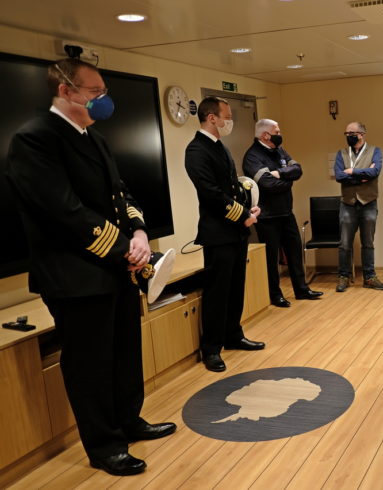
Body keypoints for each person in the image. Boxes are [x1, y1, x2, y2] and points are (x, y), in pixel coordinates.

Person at [5, 58, 175, 476]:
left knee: (124, 354)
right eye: (95, 92)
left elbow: (121, 193)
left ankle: (129, 421)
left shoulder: (93, 138)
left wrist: (138, 232)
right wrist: (126, 251)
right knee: (91, 365)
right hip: (75, 277)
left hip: (114, 269)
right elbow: (64, 212)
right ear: (66, 91)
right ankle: (104, 445)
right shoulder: (35, 139)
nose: (104, 100)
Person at [185, 97, 265, 373]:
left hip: (236, 232)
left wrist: (248, 206)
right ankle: (212, 348)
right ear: (211, 118)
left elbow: (232, 186)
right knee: (218, 292)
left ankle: (233, 334)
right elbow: (211, 194)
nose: (230, 121)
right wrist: (243, 216)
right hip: (218, 233)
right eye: (227, 116)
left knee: (235, 288)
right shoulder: (196, 150)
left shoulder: (219, 147)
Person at [243, 119, 323, 308]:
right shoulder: (252, 156)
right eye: (277, 131)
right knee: (271, 259)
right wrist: (287, 179)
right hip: (267, 216)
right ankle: (275, 295)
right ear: (265, 135)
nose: (280, 133)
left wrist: (279, 173)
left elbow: (298, 169)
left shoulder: (279, 151)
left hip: (286, 212)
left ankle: (302, 290)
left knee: (295, 252)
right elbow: (268, 184)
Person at [334, 121, 383, 292]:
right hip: (348, 203)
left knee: (368, 242)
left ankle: (370, 277)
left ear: (362, 134)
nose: (349, 136)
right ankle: (343, 276)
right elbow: (338, 176)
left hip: (368, 203)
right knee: (344, 243)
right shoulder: (341, 153)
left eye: (352, 133)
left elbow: (375, 172)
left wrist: (351, 171)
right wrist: (362, 175)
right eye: (347, 133)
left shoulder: (375, 151)